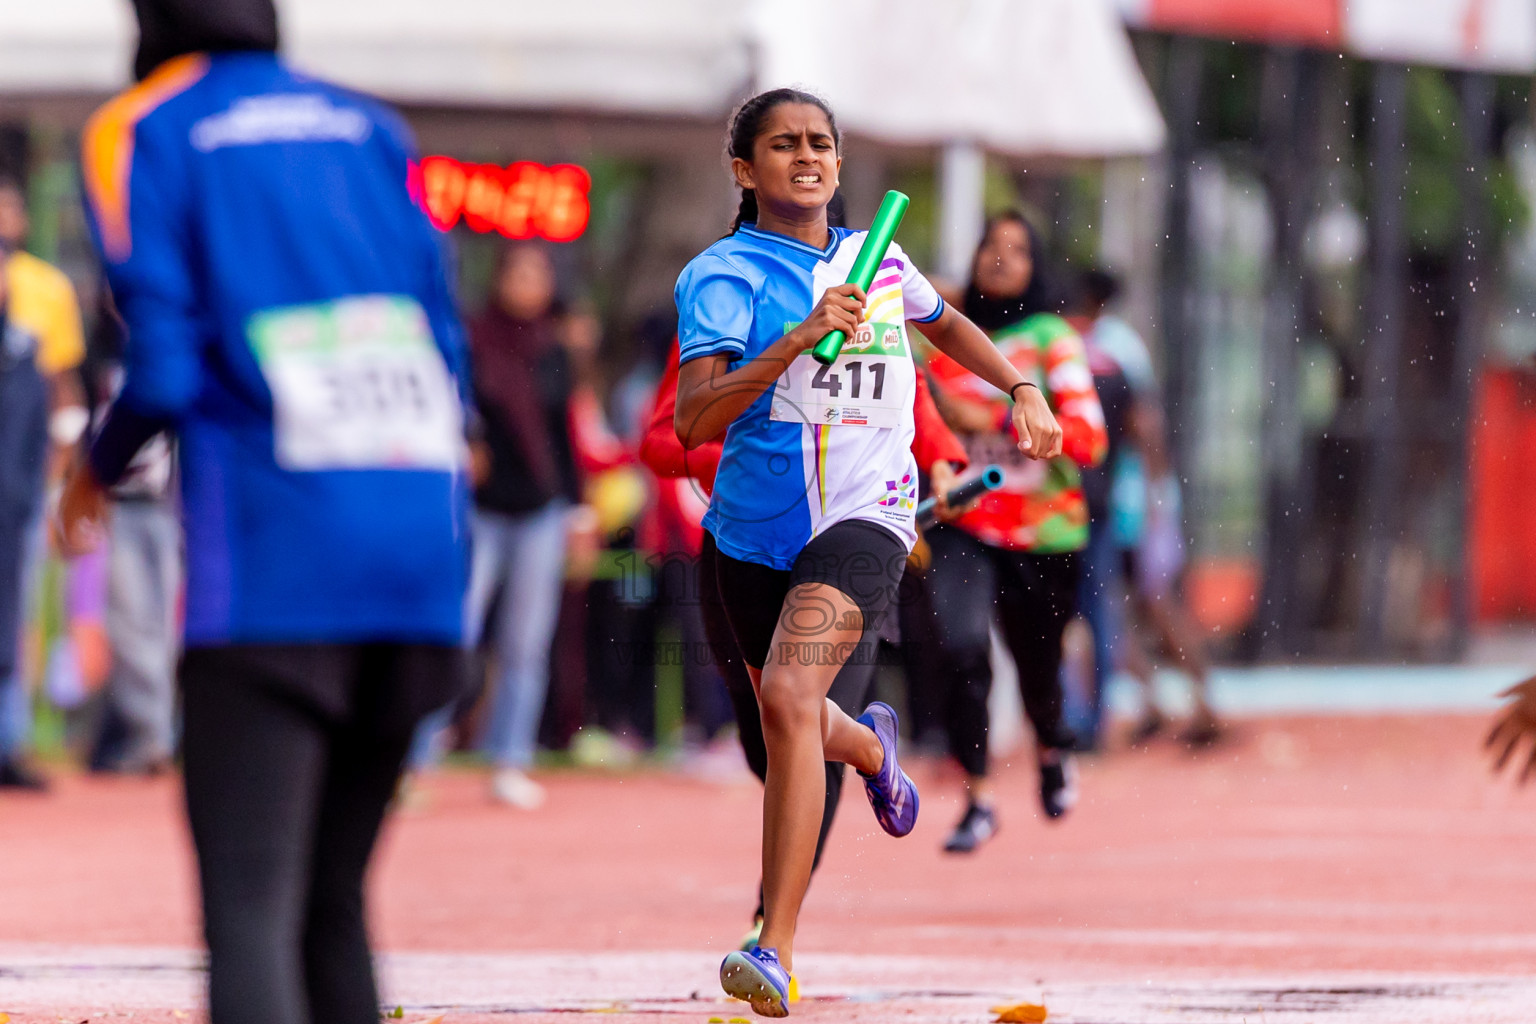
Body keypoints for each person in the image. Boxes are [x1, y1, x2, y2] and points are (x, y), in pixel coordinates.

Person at [57, 2, 469, 1022]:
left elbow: (156, 366)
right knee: (334, 907)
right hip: (418, 561)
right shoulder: (371, 125)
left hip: (273, 573)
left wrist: (93, 470)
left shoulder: (144, 129)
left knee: (251, 913)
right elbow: (441, 337)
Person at [672, 88, 1060, 1017]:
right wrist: (796, 344)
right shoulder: (723, 276)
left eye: (821, 144)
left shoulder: (875, 260)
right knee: (791, 723)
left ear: (840, 165)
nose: (806, 157)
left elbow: (948, 326)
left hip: (867, 521)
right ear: (744, 168)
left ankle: (776, 946)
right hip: (751, 534)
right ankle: (873, 751)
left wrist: (1021, 387)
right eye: (783, 144)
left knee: (789, 696)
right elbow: (695, 418)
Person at [640, 329, 968, 957]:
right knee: (768, 734)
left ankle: (772, 929)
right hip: (743, 546)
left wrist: (946, 456)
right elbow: (661, 439)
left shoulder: (870, 298)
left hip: (851, 547)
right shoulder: (718, 305)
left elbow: (910, 398)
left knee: (800, 722)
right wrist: (753, 458)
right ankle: (872, 747)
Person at [923, 211, 1108, 854]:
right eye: (990, 247)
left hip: (1043, 534)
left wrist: (1003, 414)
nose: (1001, 259)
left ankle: (1053, 746)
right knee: (961, 647)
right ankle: (978, 795)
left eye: (1018, 250)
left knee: (1038, 668)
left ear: (1037, 266)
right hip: (963, 522)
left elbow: (1088, 440)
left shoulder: (1052, 338)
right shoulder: (938, 337)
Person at [411, 241, 578, 809]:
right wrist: (467, 441)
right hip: (478, 510)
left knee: (525, 645)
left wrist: (577, 510)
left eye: (539, 275)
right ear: (500, 279)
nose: (529, 284)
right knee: (452, 633)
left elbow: (563, 438)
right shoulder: (470, 341)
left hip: (540, 513)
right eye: (519, 273)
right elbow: (445, 407)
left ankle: (510, 759)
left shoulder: (556, 349)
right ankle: (414, 757)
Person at [1077, 270, 1220, 748]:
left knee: (1154, 603)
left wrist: (1158, 499)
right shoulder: (1100, 340)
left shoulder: (1114, 345)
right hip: (1121, 495)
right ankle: (1154, 700)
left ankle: (1204, 702)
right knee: (1117, 606)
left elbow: (1145, 422)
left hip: (1133, 498)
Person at [0, 173, 90, 790]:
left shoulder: (44, 289)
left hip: (20, 486)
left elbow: (62, 385)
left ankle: (10, 740)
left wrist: (65, 469)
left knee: (19, 611)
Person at [0, 267, 50, 787]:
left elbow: (37, 431)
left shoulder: (23, 352)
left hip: (12, 508)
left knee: (13, 626)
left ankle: (8, 743)